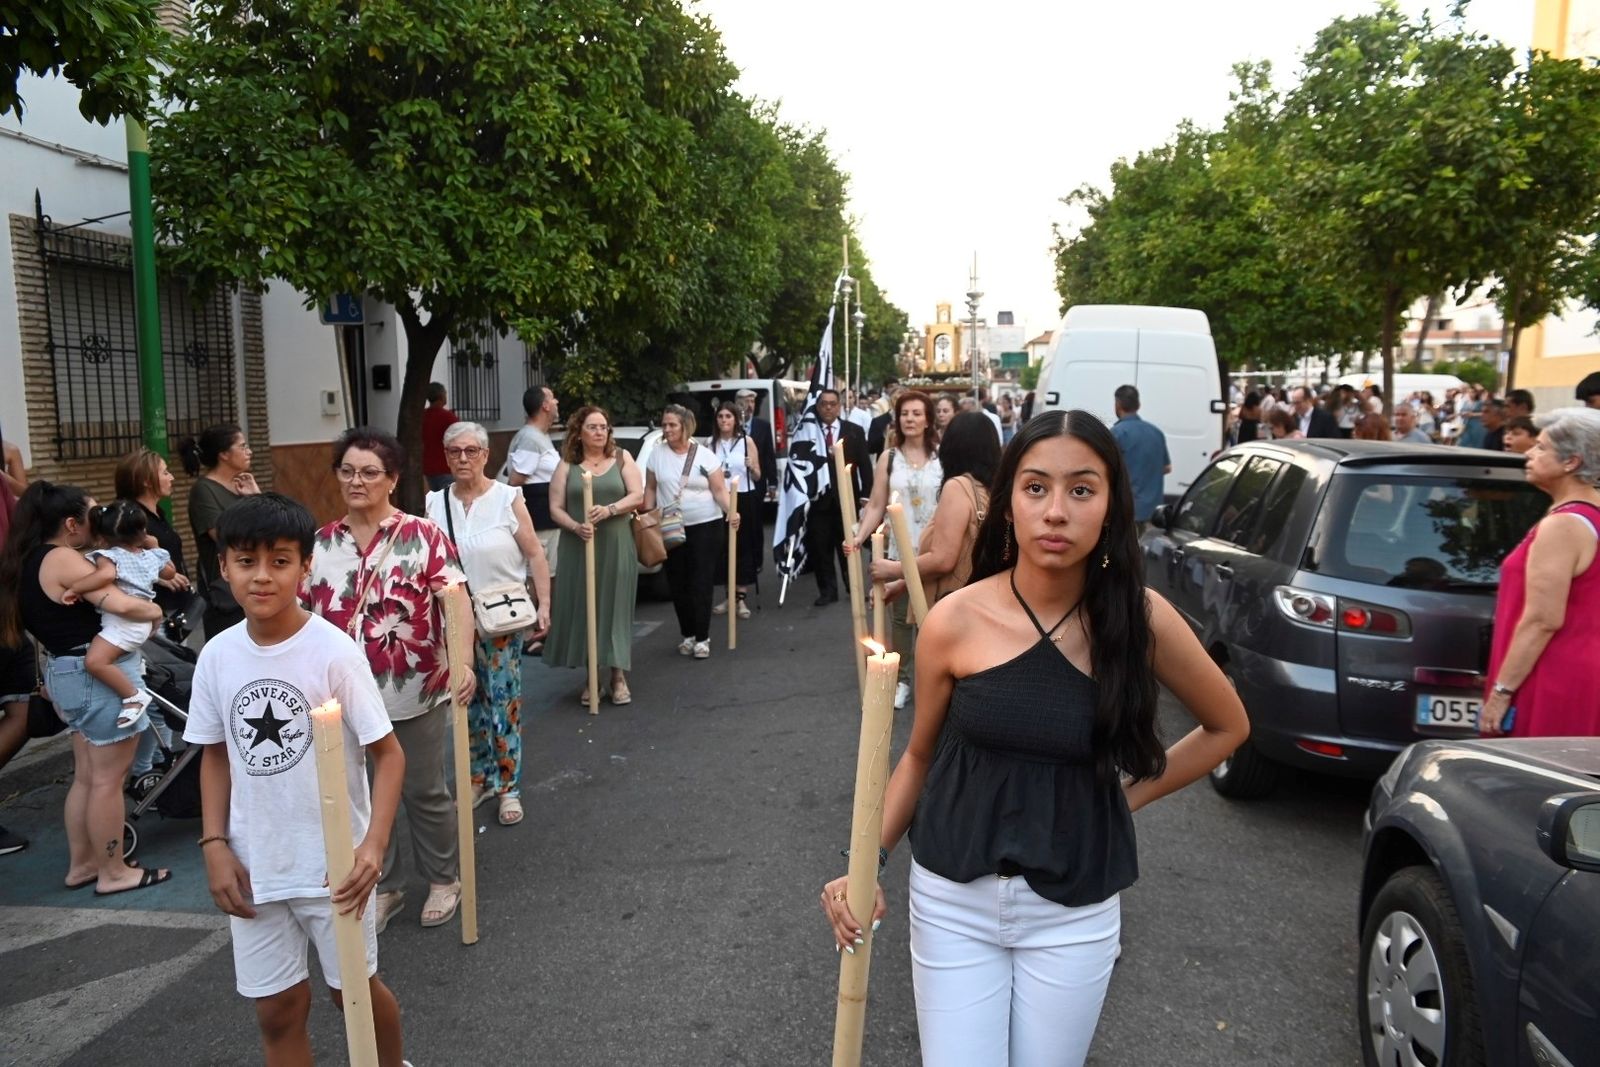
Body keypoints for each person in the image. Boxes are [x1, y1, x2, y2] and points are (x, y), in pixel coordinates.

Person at [819, 410, 1249, 1066]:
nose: (1055, 510)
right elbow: (918, 756)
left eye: (1081, 489)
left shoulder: (1139, 619)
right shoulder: (953, 620)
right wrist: (865, 861)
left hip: (1075, 910)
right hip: (951, 898)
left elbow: (1228, 725)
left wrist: (1125, 800)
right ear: (1009, 501)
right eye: (1035, 487)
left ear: (1111, 505)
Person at [183, 493, 408, 1065]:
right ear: (223, 566)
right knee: (277, 1008)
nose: (262, 577)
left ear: (306, 567)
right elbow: (213, 754)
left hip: (334, 866)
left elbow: (389, 754)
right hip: (255, 867)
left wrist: (372, 845)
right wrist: (214, 845)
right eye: (246, 561)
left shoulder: (332, 652)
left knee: (351, 993)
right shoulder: (216, 657)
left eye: (280, 561)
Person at [303, 428, 472, 931]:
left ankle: (444, 878)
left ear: (392, 480)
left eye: (370, 472)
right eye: (348, 471)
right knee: (359, 794)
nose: (357, 481)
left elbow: (455, 597)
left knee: (422, 788)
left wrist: (463, 661)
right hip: (341, 695)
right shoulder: (320, 543)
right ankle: (387, 883)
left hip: (413, 688)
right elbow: (303, 611)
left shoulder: (422, 535)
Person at [0, 481, 169, 894]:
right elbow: (123, 604)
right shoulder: (63, 559)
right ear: (72, 523)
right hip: (97, 677)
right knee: (108, 780)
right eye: (94, 514)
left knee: (89, 777)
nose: (101, 521)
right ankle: (114, 871)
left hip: (68, 672)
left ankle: (84, 865)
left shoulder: (29, 558)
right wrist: (156, 609)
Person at [427, 421, 551, 827]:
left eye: (471, 451)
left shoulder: (506, 498)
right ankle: (479, 777)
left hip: (500, 619)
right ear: (446, 457)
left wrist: (544, 604)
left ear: (485, 455)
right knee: (466, 701)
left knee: (504, 701)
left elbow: (534, 554)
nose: (463, 458)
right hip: (454, 622)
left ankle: (509, 785)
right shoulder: (433, 503)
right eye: (454, 452)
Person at [1482, 408, 1600, 738]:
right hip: (1578, 669)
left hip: (1551, 673)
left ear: (1571, 462)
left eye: (1542, 448)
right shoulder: (1589, 515)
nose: (1530, 453)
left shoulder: (1563, 525)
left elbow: (1542, 620)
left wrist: (1502, 692)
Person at [870, 408, 998, 651]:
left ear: (953, 446)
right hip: (981, 605)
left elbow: (943, 560)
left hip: (951, 610)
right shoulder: (993, 488)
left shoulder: (959, 487)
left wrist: (894, 569)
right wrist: (904, 584)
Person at [546, 406, 644, 705]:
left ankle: (617, 675)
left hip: (615, 543)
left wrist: (610, 509)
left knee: (614, 607)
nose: (600, 432)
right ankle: (592, 676)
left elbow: (638, 495)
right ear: (579, 432)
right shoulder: (567, 464)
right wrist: (576, 526)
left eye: (604, 426)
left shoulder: (622, 458)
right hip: (579, 545)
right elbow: (555, 508)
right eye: (593, 427)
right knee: (586, 608)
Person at [852, 391, 941, 710]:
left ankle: (938, 682)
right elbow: (876, 504)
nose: (911, 419)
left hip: (933, 552)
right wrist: (859, 536)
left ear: (928, 419)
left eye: (917, 413)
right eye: (905, 414)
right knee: (902, 622)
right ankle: (903, 680)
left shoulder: (942, 457)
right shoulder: (889, 458)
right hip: (899, 552)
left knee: (936, 619)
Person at [62, 500, 176, 727]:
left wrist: (75, 588)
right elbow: (170, 573)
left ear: (103, 534)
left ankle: (132, 696)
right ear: (143, 531)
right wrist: (154, 546)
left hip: (125, 622)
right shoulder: (151, 555)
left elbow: (105, 575)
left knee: (94, 662)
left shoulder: (109, 555)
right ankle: (135, 673)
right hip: (140, 619)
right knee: (109, 657)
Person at [644, 404, 740, 660]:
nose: (667, 429)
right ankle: (686, 633)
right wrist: (646, 516)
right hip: (671, 526)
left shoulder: (705, 456)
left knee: (701, 580)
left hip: (706, 525)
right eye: (664, 424)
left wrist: (731, 511)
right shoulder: (656, 455)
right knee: (677, 582)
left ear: (686, 425)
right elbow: (650, 490)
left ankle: (702, 637)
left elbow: (719, 490)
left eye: (672, 424)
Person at [181, 423, 260, 639]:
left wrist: (255, 497)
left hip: (255, 584)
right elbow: (224, 536)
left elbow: (270, 527)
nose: (249, 451)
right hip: (225, 591)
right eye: (242, 446)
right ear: (224, 454)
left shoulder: (243, 486)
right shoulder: (204, 490)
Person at [806, 389, 872, 607]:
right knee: (820, 547)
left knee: (848, 546)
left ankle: (852, 586)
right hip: (818, 501)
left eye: (832, 404)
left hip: (846, 499)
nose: (828, 408)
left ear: (839, 406)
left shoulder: (853, 431)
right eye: (824, 404)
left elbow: (864, 464)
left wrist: (865, 495)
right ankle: (827, 590)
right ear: (818, 406)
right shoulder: (809, 432)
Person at [503, 386, 562, 627]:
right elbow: (516, 480)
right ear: (545, 406)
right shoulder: (530, 438)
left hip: (545, 519)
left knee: (545, 573)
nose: (557, 402)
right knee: (541, 574)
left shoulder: (536, 436)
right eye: (553, 398)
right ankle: (537, 628)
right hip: (539, 520)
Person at [115, 448, 193, 620]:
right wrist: (159, 577)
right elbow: (117, 561)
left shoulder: (156, 512)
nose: (171, 477)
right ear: (146, 481)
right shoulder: (129, 517)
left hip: (174, 607)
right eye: (165, 473)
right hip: (153, 612)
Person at [708, 402, 761, 620]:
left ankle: (740, 598)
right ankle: (728, 595)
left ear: (735, 420)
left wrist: (751, 466)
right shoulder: (711, 444)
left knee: (742, 546)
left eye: (728, 416)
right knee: (722, 547)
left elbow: (758, 475)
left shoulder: (746, 442)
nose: (724, 420)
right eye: (720, 416)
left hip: (743, 497)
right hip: (720, 498)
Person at [1111, 385, 1171, 530]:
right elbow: (1167, 468)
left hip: (1126, 511)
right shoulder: (1156, 433)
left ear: (1117, 405)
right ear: (1138, 405)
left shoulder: (1116, 434)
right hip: (1153, 513)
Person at [421, 382, 458, 492]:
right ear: (442, 396)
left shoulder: (422, 416)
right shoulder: (448, 417)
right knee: (448, 501)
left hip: (427, 468)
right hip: (446, 467)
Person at [867, 378, 900, 457]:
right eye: (896, 399)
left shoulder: (911, 419)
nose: (898, 402)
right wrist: (886, 434)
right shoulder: (878, 420)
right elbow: (871, 447)